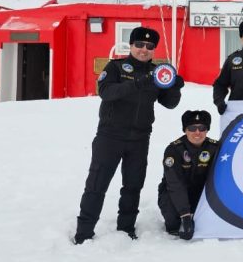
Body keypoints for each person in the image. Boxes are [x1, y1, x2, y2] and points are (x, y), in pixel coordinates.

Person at [73, 27, 184, 244]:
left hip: (140, 139)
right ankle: (84, 232)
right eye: (140, 45)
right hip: (110, 136)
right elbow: (106, 92)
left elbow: (169, 104)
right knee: (97, 184)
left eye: (150, 46)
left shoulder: (157, 74)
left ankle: (126, 229)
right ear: (131, 46)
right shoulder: (115, 67)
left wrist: (175, 87)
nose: (144, 49)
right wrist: (136, 83)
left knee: (133, 185)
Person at [157, 110, 219, 240]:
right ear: (185, 130)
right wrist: (185, 215)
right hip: (174, 192)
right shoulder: (173, 150)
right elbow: (175, 184)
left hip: (201, 193)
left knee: (207, 225)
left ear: (207, 130)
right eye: (192, 128)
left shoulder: (215, 148)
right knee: (174, 226)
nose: (197, 132)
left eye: (202, 128)